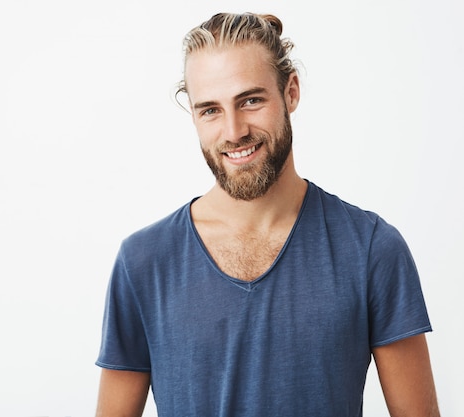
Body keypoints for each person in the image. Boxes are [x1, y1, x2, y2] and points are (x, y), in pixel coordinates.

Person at [95, 12, 440, 417]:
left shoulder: (371, 249)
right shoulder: (144, 262)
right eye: (210, 110)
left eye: (251, 100)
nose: (234, 130)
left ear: (290, 92)